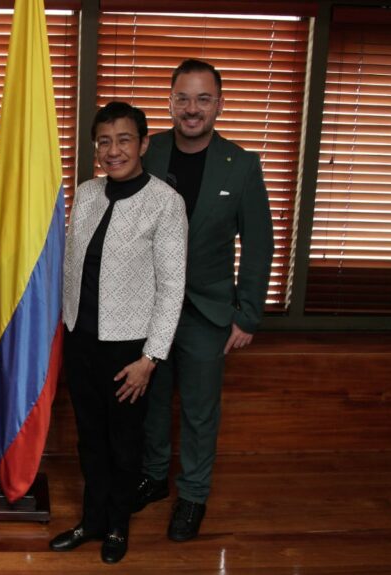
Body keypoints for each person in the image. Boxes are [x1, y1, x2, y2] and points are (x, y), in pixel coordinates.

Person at [137, 58, 274, 542]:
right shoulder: (146, 152)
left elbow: (259, 244)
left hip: (206, 311)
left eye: (202, 98)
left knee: (198, 410)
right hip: (149, 307)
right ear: (170, 100)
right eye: (182, 98)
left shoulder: (242, 164)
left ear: (219, 103)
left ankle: (192, 495)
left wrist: (247, 315)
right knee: (152, 401)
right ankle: (153, 479)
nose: (191, 109)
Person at [49, 101, 187, 564]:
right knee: (89, 438)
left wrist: (151, 359)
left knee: (124, 442)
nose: (113, 150)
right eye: (104, 142)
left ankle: (117, 527)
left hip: (130, 349)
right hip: (80, 338)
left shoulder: (165, 203)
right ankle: (91, 521)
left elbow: (172, 288)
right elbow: (72, 265)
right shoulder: (87, 193)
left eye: (124, 140)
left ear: (144, 143)